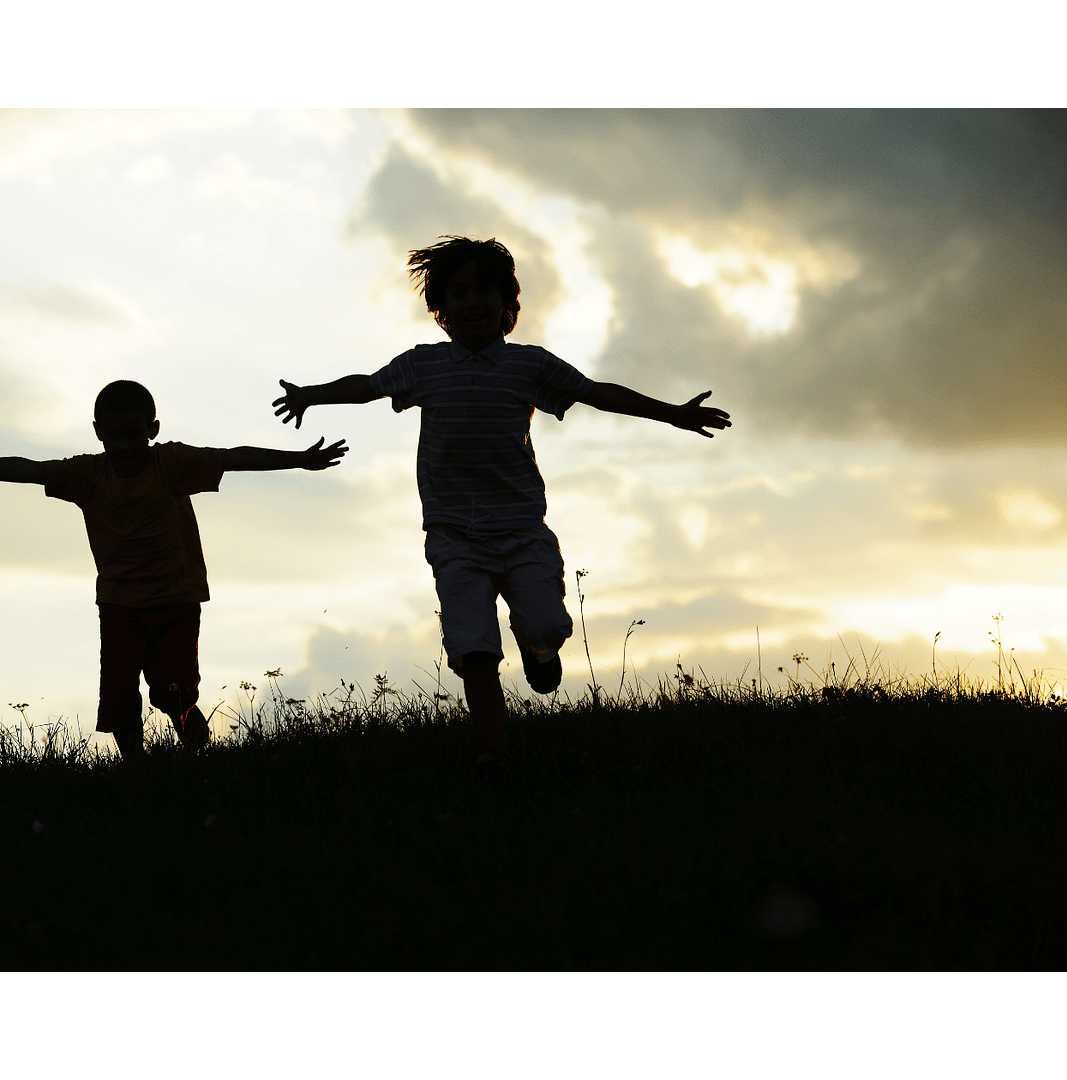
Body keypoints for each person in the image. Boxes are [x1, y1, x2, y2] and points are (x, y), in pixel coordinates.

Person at [272, 236, 729, 769]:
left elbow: (597, 392)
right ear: (440, 312)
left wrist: (672, 413)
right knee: (475, 653)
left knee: (545, 626)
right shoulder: (424, 366)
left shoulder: (529, 365)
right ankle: (495, 755)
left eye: (485, 291)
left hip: (521, 532)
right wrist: (311, 394)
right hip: (454, 537)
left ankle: (540, 652)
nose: (473, 302)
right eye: (459, 293)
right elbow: (368, 386)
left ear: (510, 306)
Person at [0, 379, 347, 761]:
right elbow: (28, 469)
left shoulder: (171, 464)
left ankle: (196, 747)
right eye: (113, 437)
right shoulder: (87, 474)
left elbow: (233, 458)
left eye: (134, 436)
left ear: (152, 431)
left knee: (173, 692)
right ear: (99, 433)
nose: (123, 446)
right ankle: (136, 768)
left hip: (177, 599)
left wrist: (299, 459)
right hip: (120, 604)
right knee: (119, 695)